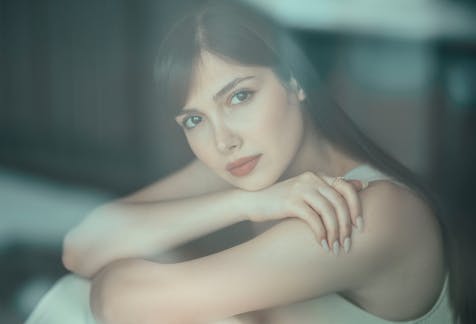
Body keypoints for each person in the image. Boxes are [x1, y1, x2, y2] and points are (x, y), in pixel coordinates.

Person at [27, 1, 454, 323]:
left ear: (294, 81)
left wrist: (135, 265)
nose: (222, 139)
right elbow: (80, 248)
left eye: (239, 96)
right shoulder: (247, 165)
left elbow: (121, 300)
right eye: (194, 120)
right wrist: (247, 202)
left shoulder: (371, 212)